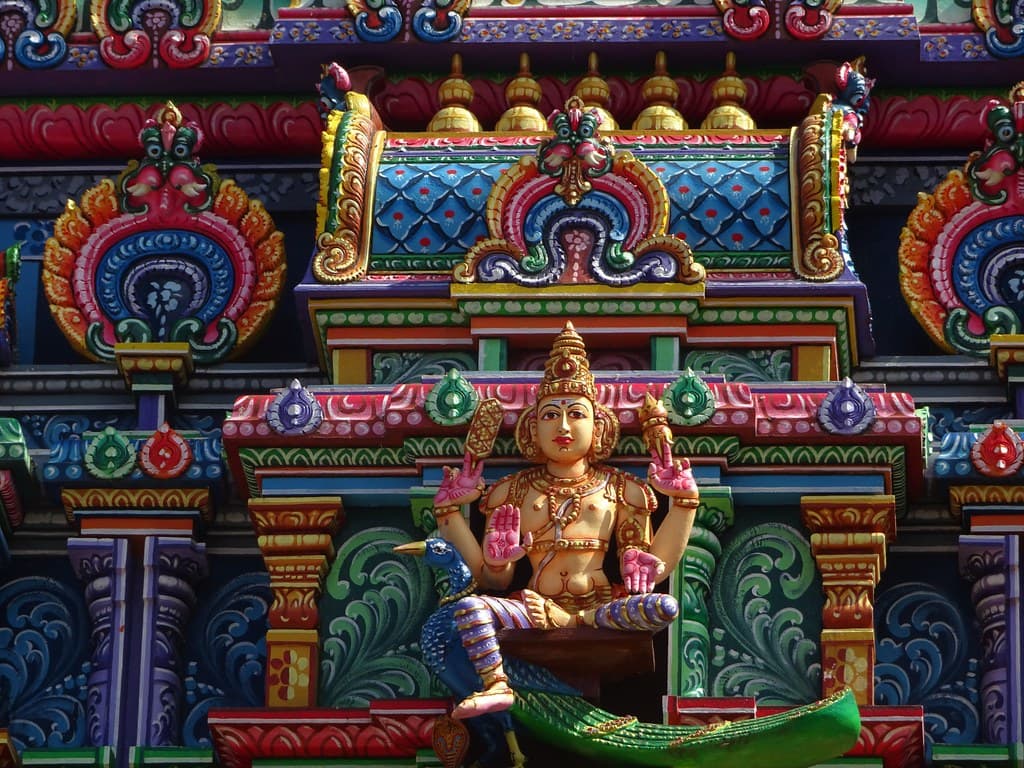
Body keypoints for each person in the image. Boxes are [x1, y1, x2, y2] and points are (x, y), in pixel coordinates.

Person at [432, 322, 699, 719]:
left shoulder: (621, 489)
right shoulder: (511, 493)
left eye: (576, 414)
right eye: (550, 415)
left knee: (664, 606)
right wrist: (453, 516)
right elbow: (493, 582)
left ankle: (577, 626)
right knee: (470, 609)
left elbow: (648, 569)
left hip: (601, 610)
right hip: (533, 608)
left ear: (599, 426)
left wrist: (684, 503)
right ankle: (496, 684)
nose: (562, 427)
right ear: (531, 427)